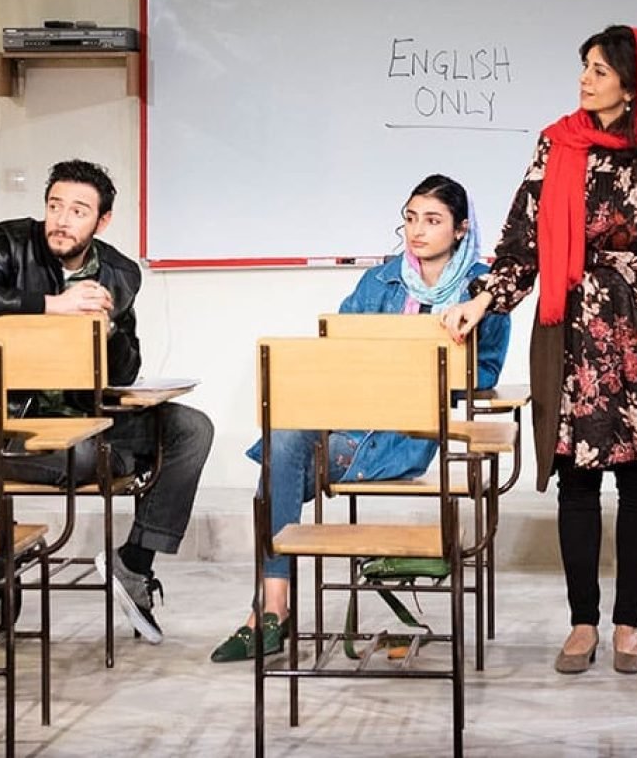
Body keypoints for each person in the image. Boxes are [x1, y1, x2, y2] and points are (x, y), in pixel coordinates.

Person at [443, 26, 637, 676]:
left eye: (598, 70)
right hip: (570, 333)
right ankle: (582, 623)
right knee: (577, 483)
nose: (584, 80)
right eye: (585, 68)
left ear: (632, 84)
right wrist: (481, 299)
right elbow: (520, 243)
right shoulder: (558, 143)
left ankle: (628, 626)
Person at [211, 174, 510, 662]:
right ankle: (275, 606)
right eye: (410, 218)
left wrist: (425, 363)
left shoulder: (483, 290)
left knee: (273, 480)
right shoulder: (382, 279)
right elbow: (339, 348)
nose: (417, 231)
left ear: (460, 229)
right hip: (348, 415)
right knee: (284, 433)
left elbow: (488, 370)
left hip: (400, 433)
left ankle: (268, 612)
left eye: (432, 221)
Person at [0, 159, 214, 644]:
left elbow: (123, 374)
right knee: (93, 453)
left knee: (190, 428)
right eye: (54, 206)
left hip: (87, 420)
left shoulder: (119, 273)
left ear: (102, 221)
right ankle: (115, 466)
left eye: (77, 210)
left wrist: (107, 331)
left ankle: (134, 562)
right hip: (12, 431)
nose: (62, 220)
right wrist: (54, 305)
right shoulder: (11, 242)